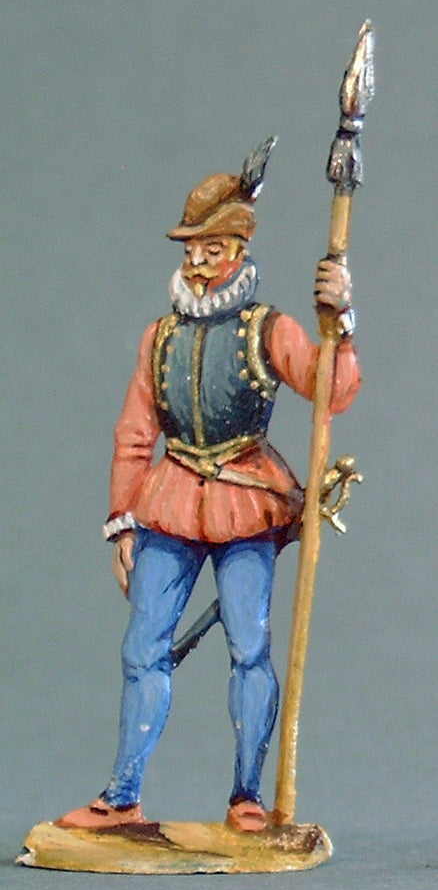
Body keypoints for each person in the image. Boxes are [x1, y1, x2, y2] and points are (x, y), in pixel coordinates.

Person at [57, 143, 361, 834]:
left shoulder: (268, 329)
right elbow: (135, 434)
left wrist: (340, 319)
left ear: (238, 252)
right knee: (142, 649)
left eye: (212, 249)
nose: (197, 263)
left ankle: (247, 798)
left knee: (250, 648)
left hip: (246, 504)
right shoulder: (159, 338)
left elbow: (332, 388)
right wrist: (123, 521)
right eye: (192, 249)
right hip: (167, 506)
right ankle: (122, 796)